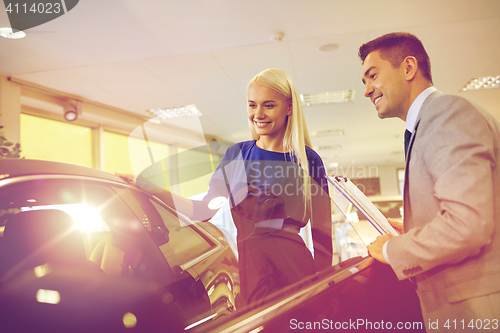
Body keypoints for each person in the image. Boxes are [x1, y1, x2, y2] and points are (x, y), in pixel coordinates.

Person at [119, 68, 332, 272]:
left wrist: (324, 286)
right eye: (252, 105)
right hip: (253, 270)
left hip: (295, 270)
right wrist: (152, 190)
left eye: (268, 105)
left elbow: (322, 233)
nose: (258, 114)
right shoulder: (236, 156)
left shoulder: (307, 160)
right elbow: (202, 210)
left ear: (289, 107)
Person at [359, 32, 500, 330]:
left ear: (408, 68)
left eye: (373, 76)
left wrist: (390, 250)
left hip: (478, 311)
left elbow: (467, 224)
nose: (367, 90)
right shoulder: (427, 123)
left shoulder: (447, 113)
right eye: (364, 82)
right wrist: (412, 231)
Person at [231, 183, 315, 305]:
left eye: (263, 188)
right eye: (250, 195)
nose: (262, 193)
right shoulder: (251, 245)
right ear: (242, 213)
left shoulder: (288, 230)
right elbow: (260, 301)